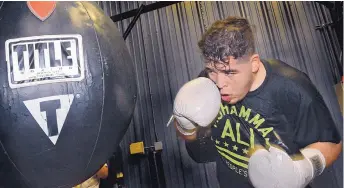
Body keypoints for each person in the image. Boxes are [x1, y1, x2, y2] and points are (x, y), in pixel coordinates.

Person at [171, 16, 342, 188]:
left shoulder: (291, 88)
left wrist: (302, 171)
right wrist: (185, 126)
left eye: (230, 72)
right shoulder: (208, 83)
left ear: (254, 63)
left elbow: (332, 144)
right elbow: (200, 152)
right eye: (211, 70)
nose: (219, 84)